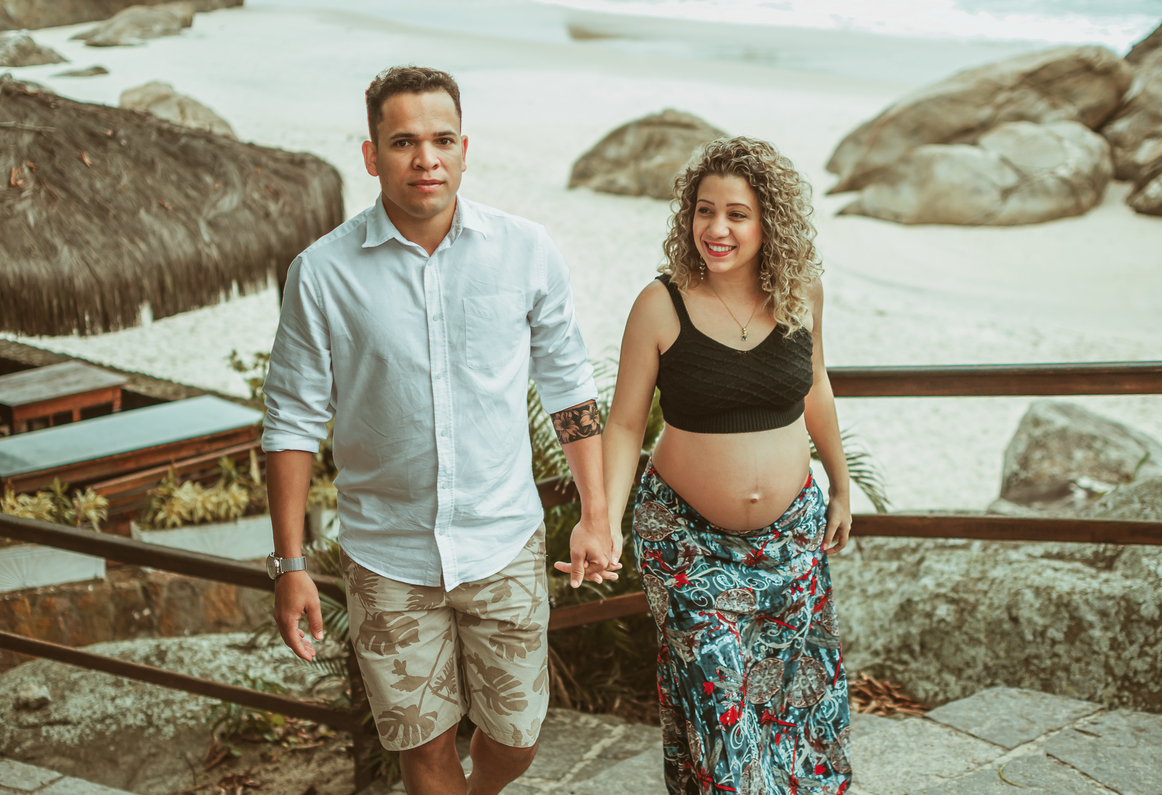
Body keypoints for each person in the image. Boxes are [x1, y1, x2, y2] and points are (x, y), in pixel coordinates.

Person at [261, 66, 616, 795]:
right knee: (422, 750)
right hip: (386, 555)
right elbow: (292, 420)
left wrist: (596, 511)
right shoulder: (320, 273)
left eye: (442, 140)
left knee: (516, 738)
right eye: (404, 142)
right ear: (372, 156)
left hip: (503, 541)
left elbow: (569, 387)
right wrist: (289, 563)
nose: (426, 158)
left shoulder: (526, 250)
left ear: (464, 149)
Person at [600, 137, 853, 795]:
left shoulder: (801, 293)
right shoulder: (660, 304)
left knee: (784, 708)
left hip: (791, 539)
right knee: (722, 713)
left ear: (770, 222)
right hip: (687, 546)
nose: (716, 229)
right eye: (704, 210)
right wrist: (605, 521)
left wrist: (841, 485)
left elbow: (817, 387)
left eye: (737, 214)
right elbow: (624, 424)